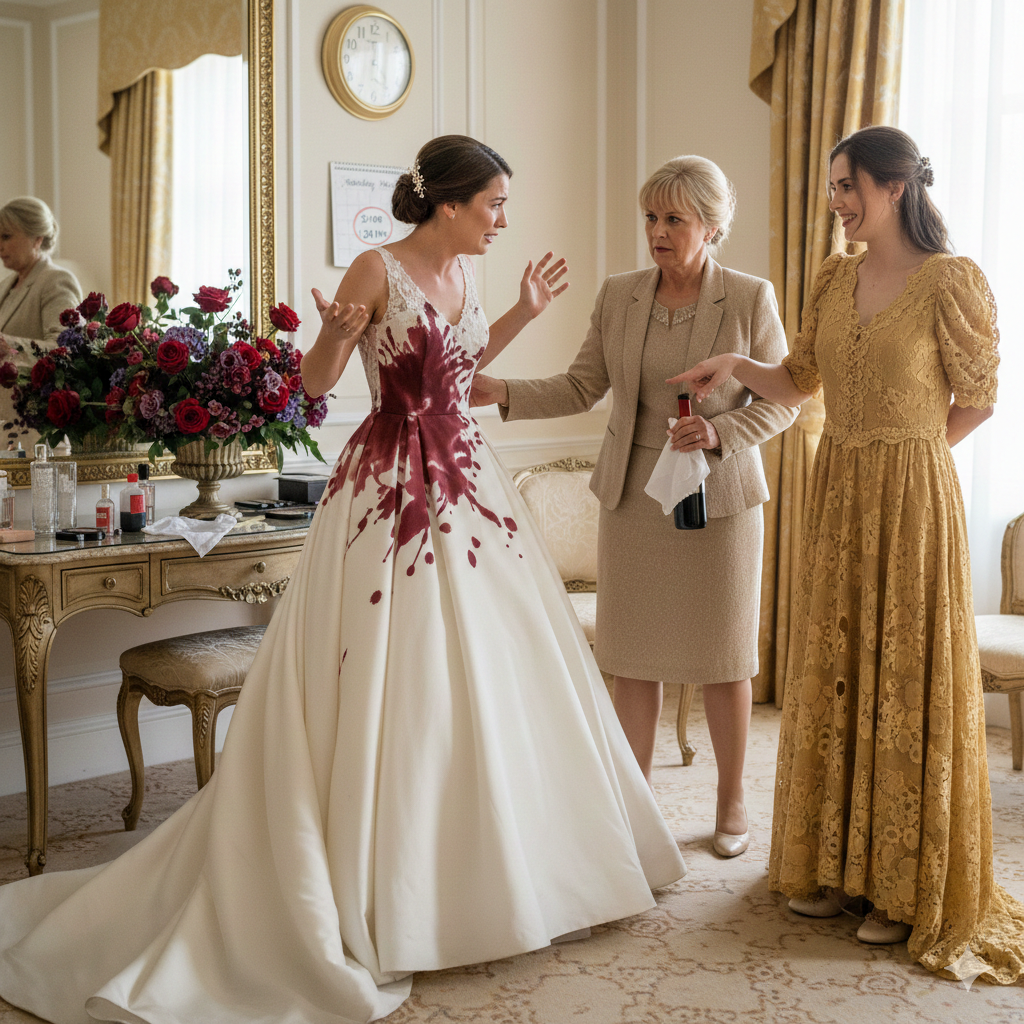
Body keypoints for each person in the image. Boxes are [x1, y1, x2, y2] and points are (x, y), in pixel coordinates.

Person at [0, 135, 687, 1024]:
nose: (502, 220)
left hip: (467, 478)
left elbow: (462, 365)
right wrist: (332, 332)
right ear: (449, 203)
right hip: (392, 482)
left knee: (494, 665)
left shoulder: (469, 273)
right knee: (397, 670)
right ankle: (393, 883)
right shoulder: (376, 267)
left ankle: (517, 871)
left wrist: (521, 312)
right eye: (494, 204)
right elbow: (315, 385)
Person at [676, 125, 1024, 982]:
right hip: (839, 494)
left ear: (894, 186)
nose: (835, 202)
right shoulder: (834, 277)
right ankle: (836, 871)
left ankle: (899, 891)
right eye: (833, 186)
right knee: (839, 669)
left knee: (902, 678)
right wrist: (737, 365)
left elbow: (979, 397)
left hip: (913, 499)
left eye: (847, 186)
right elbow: (801, 380)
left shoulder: (951, 279)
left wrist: (910, 455)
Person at [472, 156, 796, 858]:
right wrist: (503, 392)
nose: (658, 231)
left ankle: (732, 802)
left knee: (725, 657)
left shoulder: (749, 297)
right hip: (633, 497)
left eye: (674, 219)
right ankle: (635, 804)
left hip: (720, 501)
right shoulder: (619, 295)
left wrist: (719, 432)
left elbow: (784, 401)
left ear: (711, 226)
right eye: (651, 217)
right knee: (633, 657)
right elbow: (582, 385)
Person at [0, 196, 82, 438]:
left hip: (35, 428)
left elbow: (66, 350)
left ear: (37, 238)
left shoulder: (56, 280)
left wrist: (8, 346)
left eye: (6, 236)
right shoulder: (5, 285)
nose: (0, 245)